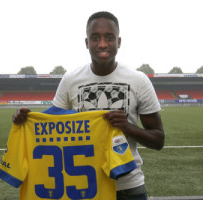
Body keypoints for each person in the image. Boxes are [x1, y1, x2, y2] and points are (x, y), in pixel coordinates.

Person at [13, 11, 164, 200]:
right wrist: (25, 119)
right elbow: (50, 123)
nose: (102, 44)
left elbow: (158, 140)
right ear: (86, 43)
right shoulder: (70, 80)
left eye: (109, 37)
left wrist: (128, 127)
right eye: (95, 38)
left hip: (128, 187)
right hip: (84, 186)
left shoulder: (139, 80)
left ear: (119, 42)